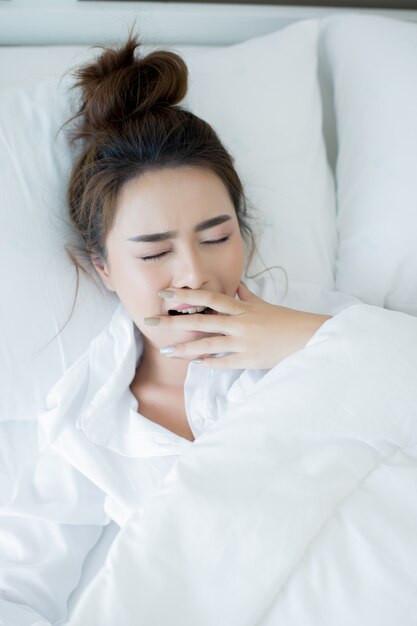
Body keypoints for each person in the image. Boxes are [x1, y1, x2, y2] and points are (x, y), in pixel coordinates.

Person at [0, 33, 361, 626]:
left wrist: (307, 340)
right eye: (153, 253)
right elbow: (16, 587)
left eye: (217, 237)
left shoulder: (328, 326)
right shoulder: (94, 423)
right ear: (104, 269)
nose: (194, 272)